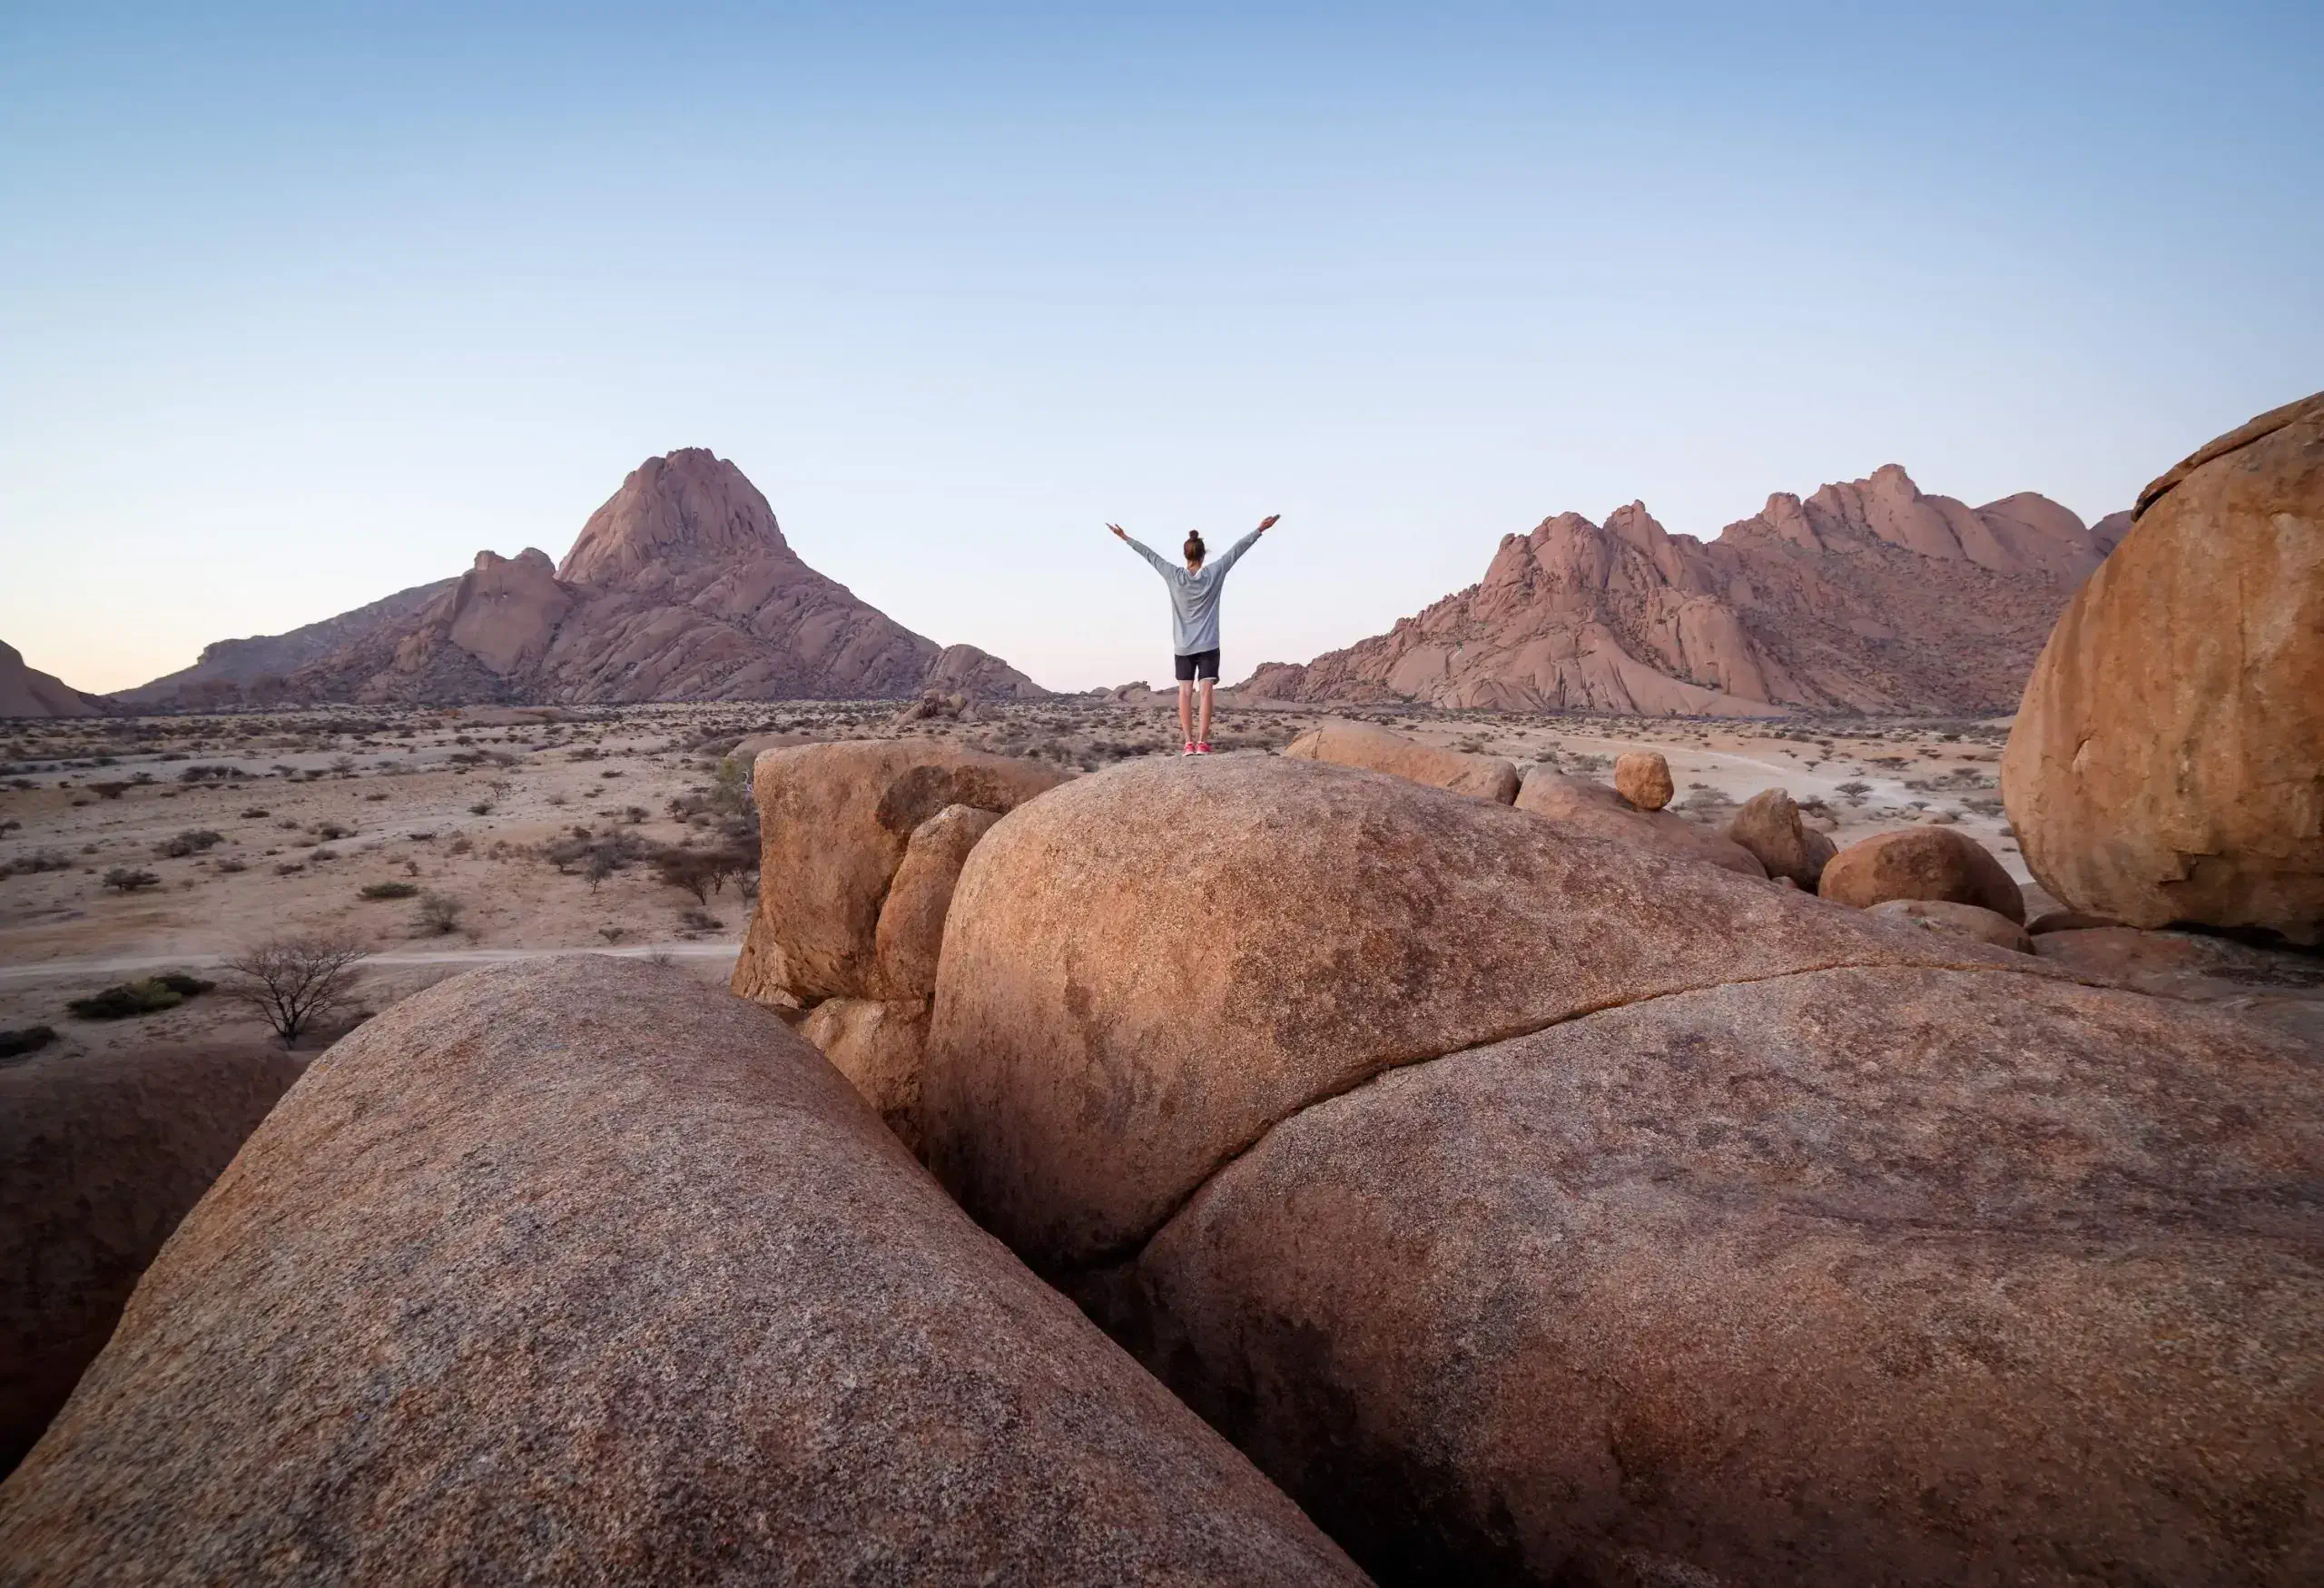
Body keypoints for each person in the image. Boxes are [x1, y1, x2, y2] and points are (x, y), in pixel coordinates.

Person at [1109, 513, 1278, 755]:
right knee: (1207, 692)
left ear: (1186, 554)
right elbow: (1236, 551)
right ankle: (1203, 743)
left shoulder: (1173, 575)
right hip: (1209, 644)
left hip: (1183, 646)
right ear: (1203, 554)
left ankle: (1188, 743)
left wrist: (1125, 537)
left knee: (1185, 693)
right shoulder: (1214, 572)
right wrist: (1259, 530)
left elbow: (1149, 556)